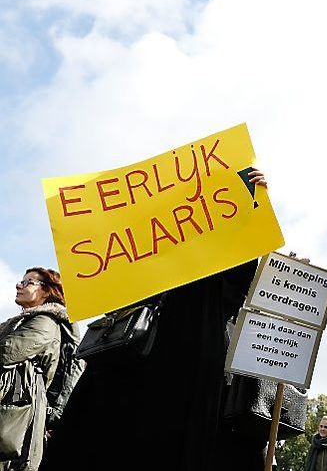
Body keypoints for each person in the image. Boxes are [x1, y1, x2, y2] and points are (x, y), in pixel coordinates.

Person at [42, 172, 270, 471]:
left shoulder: (216, 274)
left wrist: (251, 202)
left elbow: (240, 273)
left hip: (181, 376)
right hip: (125, 365)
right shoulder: (147, 251)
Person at [1, 268, 72, 471]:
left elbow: (7, 351)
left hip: (16, 417)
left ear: (46, 291)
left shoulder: (45, 322)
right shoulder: (18, 323)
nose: (19, 285)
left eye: (28, 282)